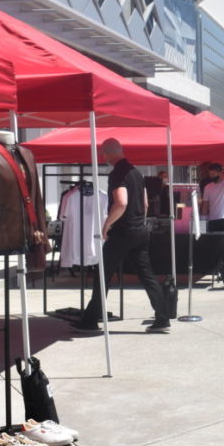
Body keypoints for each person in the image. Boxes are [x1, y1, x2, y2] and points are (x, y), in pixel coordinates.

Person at [72, 138, 171, 334]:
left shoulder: (118, 174)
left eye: (103, 154)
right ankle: (163, 316)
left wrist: (107, 224)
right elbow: (145, 204)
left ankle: (90, 320)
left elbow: (121, 203)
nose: (104, 157)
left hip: (123, 231)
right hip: (140, 230)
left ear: (107, 153)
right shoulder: (136, 172)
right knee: (147, 275)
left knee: (103, 275)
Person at [201, 163, 224, 232]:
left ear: (219, 173)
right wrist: (203, 220)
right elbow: (205, 205)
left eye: (213, 174)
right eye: (210, 174)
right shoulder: (207, 187)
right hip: (212, 218)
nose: (211, 176)